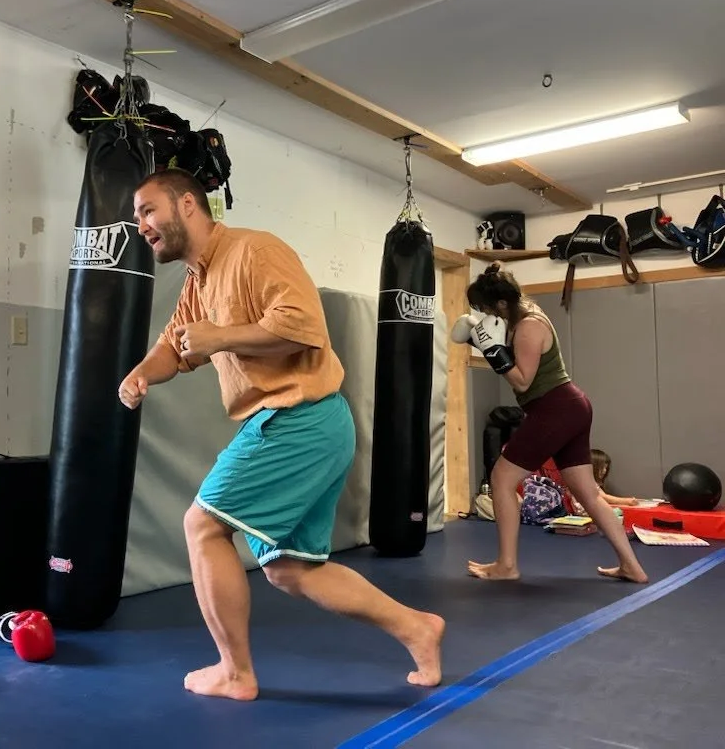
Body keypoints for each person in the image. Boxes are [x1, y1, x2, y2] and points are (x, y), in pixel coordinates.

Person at [118, 168, 445, 701]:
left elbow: (303, 327)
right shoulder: (197, 281)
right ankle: (417, 628)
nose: (141, 225)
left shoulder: (254, 251)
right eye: (137, 217)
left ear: (187, 205)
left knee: (203, 526)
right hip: (306, 424)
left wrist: (219, 336)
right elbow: (174, 347)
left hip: (297, 417)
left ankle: (235, 672)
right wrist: (140, 374)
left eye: (148, 210)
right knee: (293, 570)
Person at [453, 262, 648, 583]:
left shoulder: (529, 325)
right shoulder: (520, 312)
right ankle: (632, 566)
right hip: (569, 406)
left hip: (556, 407)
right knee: (587, 492)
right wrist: (484, 341)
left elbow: (522, 381)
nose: (486, 314)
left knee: (501, 477)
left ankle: (506, 565)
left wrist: (489, 349)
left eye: (487, 308)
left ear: (502, 304)